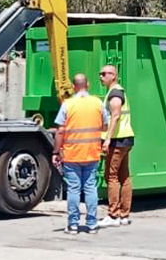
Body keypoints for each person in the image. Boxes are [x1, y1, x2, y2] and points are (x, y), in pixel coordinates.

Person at [53, 72, 107, 235]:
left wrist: (56, 151)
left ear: (74, 87)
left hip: (72, 154)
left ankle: (73, 225)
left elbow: (60, 132)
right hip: (92, 152)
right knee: (90, 188)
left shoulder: (68, 105)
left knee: (74, 190)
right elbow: (105, 125)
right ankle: (91, 224)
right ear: (88, 85)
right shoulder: (97, 103)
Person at [100, 64, 135, 226]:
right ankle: (124, 215)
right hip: (126, 138)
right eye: (100, 74)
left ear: (113, 76)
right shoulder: (117, 91)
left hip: (118, 140)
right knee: (124, 176)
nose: (101, 76)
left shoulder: (115, 94)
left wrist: (107, 139)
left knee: (111, 176)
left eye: (105, 73)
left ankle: (113, 215)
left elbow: (115, 116)